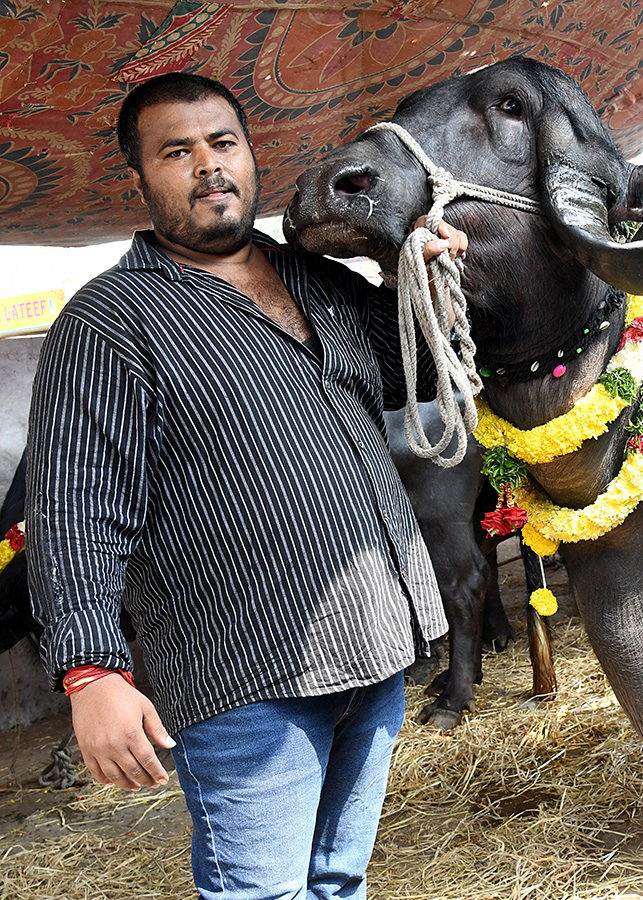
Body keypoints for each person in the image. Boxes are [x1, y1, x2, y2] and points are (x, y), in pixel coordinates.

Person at [27, 72, 464, 898]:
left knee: (339, 879)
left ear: (250, 155)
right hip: (245, 675)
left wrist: (421, 277)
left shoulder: (315, 278)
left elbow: (406, 371)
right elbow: (74, 507)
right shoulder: (110, 320)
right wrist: (90, 672)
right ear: (140, 177)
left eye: (222, 143)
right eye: (177, 152)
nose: (208, 165)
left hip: (376, 639)